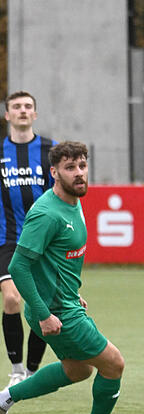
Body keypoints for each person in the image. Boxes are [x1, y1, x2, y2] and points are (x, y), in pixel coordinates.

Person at [0, 141, 136, 414]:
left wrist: (73, 291)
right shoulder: (48, 213)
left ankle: (2, 401)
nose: (79, 173)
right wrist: (44, 312)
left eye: (82, 166)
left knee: (78, 370)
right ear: (54, 172)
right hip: (56, 312)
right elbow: (19, 266)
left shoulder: (73, 202)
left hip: (63, 304)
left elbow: (57, 260)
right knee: (113, 364)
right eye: (70, 168)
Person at [1, 91, 55, 388]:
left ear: (35, 114)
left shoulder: (51, 150)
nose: (23, 111)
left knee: (40, 304)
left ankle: (33, 372)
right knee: (11, 297)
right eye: (16, 107)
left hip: (41, 241)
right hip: (6, 238)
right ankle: (17, 368)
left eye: (28, 107)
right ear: (7, 115)